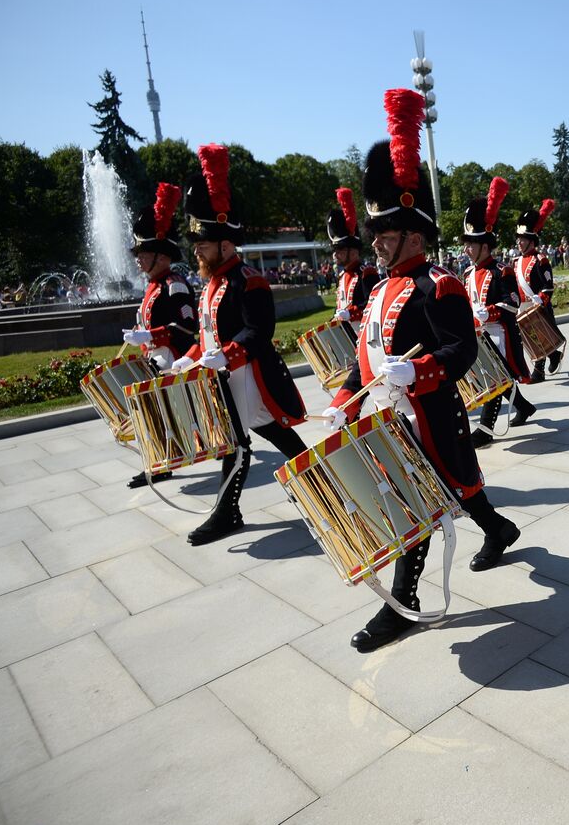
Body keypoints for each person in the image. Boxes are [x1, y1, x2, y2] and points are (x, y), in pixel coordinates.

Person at [321, 89, 522, 651]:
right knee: (446, 493)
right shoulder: (380, 288)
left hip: (431, 411)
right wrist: (348, 398)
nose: (377, 243)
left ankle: (403, 605)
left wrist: (420, 371)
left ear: (414, 232)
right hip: (390, 416)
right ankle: (499, 528)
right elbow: (367, 356)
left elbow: (462, 350)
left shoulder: (441, 286)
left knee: (423, 502)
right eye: (376, 234)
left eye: (386, 234)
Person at [170, 144, 308, 546]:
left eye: (203, 244)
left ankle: (228, 512)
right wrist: (191, 358)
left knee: (240, 441)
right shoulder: (212, 283)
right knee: (267, 439)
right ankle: (322, 485)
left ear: (225, 245)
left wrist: (224, 355)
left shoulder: (249, 280)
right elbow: (206, 335)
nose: (197, 249)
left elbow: (257, 331)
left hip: (249, 375)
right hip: (227, 375)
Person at [121, 181, 198, 489]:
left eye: (145, 253)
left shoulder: (174, 284)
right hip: (155, 358)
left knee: (166, 414)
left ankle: (162, 462)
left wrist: (150, 334)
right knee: (152, 413)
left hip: (173, 360)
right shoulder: (153, 286)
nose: (138, 259)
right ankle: (158, 462)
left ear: (162, 257)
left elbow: (187, 326)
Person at [463, 178, 537, 447]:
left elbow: (513, 302)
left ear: (485, 245)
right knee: (499, 379)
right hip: (479, 335)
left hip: (499, 336)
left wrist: (490, 313)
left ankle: (484, 430)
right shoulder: (468, 273)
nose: (466, 249)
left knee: (495, 380)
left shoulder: (501, 271)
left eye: (471, 244)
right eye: (467, 244)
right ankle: (525, 407)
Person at [513, 198, 564, 381]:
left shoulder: (540, 260)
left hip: (537, 305)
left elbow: (548, 285)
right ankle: (553, 355)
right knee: (530, 337)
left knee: (538, 336)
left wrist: (541, 298)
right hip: (523, 306)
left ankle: (539, 371)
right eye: (518, 239)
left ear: (531, 240)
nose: (519, 242)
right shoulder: (516, 262)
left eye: (523, 239)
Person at [325, 187, 379, 335]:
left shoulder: (366, 273)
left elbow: (373, 304)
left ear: (354, 251)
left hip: (365, 333)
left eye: (340, 250)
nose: (336, 255)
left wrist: (351, 313)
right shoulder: (343, 276)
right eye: (335, 250)